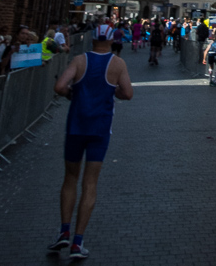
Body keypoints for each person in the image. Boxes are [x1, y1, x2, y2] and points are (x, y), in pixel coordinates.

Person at [48, 22, 133, 260]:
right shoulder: (117, 64)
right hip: (100, 129)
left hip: (76, 126)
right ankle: (77, 242)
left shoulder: (79, 60)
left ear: (93, 39)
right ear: (111, 41)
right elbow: (127, 93)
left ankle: (64, 231)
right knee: (90, 184)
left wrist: (70, 95)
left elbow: (59, 86)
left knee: (69, 179)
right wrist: (112, 92)